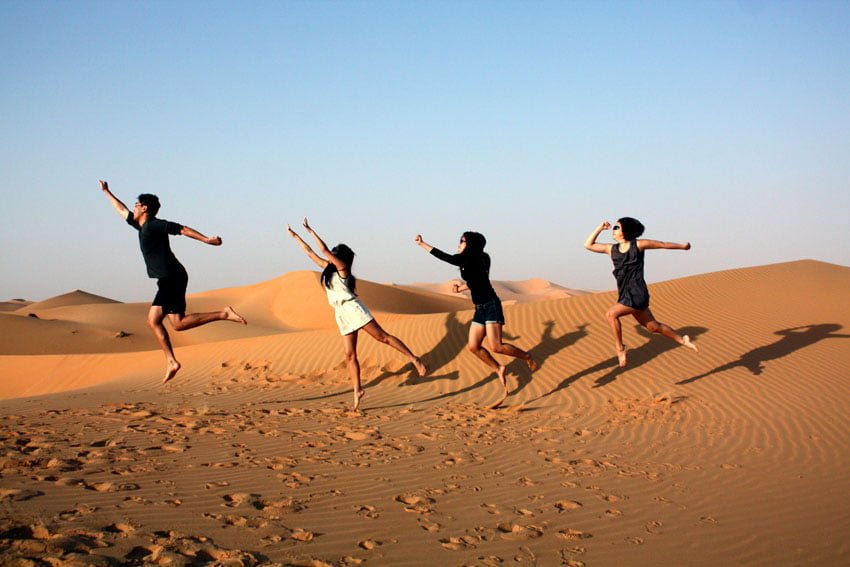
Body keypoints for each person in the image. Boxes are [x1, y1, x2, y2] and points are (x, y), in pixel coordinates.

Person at [99, 180, 247, 384]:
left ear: (145, 208)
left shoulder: (154, 225)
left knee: (165, 322)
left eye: (136, 204)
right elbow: (121, 209)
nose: (133, 207)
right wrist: (107, 192)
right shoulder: (140, 225)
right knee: (165, 322)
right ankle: (176, 357)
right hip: (167, 278)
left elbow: (182, 229)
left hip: (172, 277)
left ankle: (176, 357)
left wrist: (206, 240)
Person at [288, 219, 426, 411]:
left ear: (340, 257)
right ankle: (357, 390)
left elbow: (323, 251)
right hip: (341, 313)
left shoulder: (342, 269)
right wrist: (296, 237)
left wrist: (311, 231)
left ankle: (414, 358)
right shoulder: (328, 270)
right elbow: (311, 254)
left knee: (382, 337)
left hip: (353, 308)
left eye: (335, 252)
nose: (331, 254)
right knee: (349, 355)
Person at [415, 232, 538, 396]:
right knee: (473, 346)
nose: (459, 243)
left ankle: (527, 356)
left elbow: (446, 258)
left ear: (471, 244)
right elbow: (477, 280)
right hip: (479, 308)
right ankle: (499, 368)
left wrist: (423, 244)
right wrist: (460, 289)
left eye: (462, 241)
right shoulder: (474, 259)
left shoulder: (474, 258)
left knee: (496, 346)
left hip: (491, 305)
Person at [584, 217, 698, 368]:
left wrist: (682, 247)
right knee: (653, 327)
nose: (614, 230)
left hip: (637, 293)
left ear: (626, 231)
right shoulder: (611, 249)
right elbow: (588, 245)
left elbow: (662, 245)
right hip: (625, 294)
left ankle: (620, 347)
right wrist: (600, 227)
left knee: (611, 314)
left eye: (617, 227)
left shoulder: (638, 245)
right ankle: (682, 340)